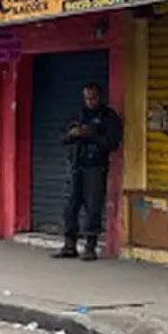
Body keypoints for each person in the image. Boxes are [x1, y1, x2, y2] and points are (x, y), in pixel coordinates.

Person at [54, 82, 122, 261]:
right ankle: (69, 245)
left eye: (93, 98)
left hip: (96, 168)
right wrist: (73, 134)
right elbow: (61, 138)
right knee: (70, 207)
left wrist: (91, 134)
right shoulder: (78, 115)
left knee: (93, 208)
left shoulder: (109, 117)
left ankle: (90, 246)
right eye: (87, 98)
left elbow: (112, 143)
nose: (90, 102)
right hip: (76, 165)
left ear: (100, 97)